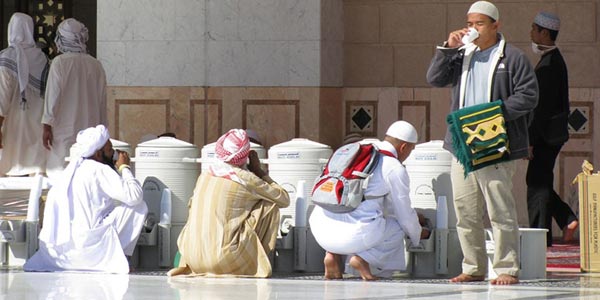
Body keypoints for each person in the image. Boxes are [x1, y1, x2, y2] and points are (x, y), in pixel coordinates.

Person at [426, 1, 538, 285]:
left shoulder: (512, 57)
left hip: (496, 142)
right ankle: (473, 266)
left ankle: (506, 268)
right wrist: (448, 48)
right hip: (463, 144)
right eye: (470, 23)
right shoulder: (462, 54)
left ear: (495, 26)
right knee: (465, 210)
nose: (473, 28)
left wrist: (492, 115)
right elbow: (434, 79)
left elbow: (528, 96)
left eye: (480, 23)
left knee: (500, 209)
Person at [309, 121, 430, 281]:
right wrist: (417, 234)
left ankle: (332, 255)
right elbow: (404, 215)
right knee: (397, 228)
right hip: (353, 235)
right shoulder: (394, 167)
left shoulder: (358, 150)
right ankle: (363, 260)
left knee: (361, 215)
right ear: (404, 147)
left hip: (320, 229)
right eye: (411, 150)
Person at [24, 125, 147, 273]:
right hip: (90, 252)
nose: (113, 154)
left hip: (63, 256)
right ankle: (121, 258)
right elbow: (134, 196)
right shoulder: (100, 169)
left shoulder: (68, 171)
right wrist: (124, 168)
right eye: (109, 150)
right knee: (139, 207)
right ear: (98, 153)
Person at [168, 129, 289, 278]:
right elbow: (283, 199)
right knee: (270, 205)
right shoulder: (245, 178)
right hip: (224, 260)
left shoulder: (205, 174)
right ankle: (253, 262)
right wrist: (259, 171)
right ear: (246, 155)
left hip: (192, 257)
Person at [527, 12, 578, 246]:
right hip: (550, 134)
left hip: (545, 135)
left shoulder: (549, 65)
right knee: (540, 180)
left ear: (544, 33)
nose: (531, 34)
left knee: (537, 182)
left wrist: (530, 139)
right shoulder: (551, 60)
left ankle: (538, 238)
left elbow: (541, 109)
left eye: (534, 29)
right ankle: (564, 220)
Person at [42, 18, 107, 180]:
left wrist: (46, 126)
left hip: (65, 130)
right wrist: (104, 131)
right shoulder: (96, 65)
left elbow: (52, 97)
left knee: (62, 173)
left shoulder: (59, 63)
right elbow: (102, 101)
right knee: (86, 174)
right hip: (91, 130)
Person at [0, 13, 49, 176]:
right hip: (37, 123)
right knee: (35, 172)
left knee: (13, 169)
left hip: (14, 124)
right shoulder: (42, 58)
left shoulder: (7, 57)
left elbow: (2, 95)